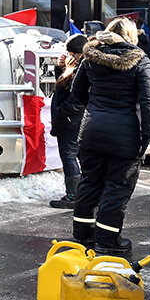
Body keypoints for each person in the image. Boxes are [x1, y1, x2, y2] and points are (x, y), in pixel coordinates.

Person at [69, 17, 150, 256]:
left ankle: (82, 236)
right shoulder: (140, 61)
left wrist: (97, 111)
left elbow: (77, 93)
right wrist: (147, 136)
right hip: (126, 136)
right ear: (131, 36)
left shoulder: (90, 58)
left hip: (92, 132)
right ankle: (108, 241)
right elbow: (148, 103)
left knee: (89, 183)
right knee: (117, 188)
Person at [48, 33, 88, 209]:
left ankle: (73, 195)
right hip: (73, 118)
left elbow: (70, 93)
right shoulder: (80, 66)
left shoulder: (82, 68)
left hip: (71, 119)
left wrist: (62, 112)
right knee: (78, 155)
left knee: (69, 155)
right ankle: (84, 193)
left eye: (71, 52)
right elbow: (63, 85)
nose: (68, 55)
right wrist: (61, 68)